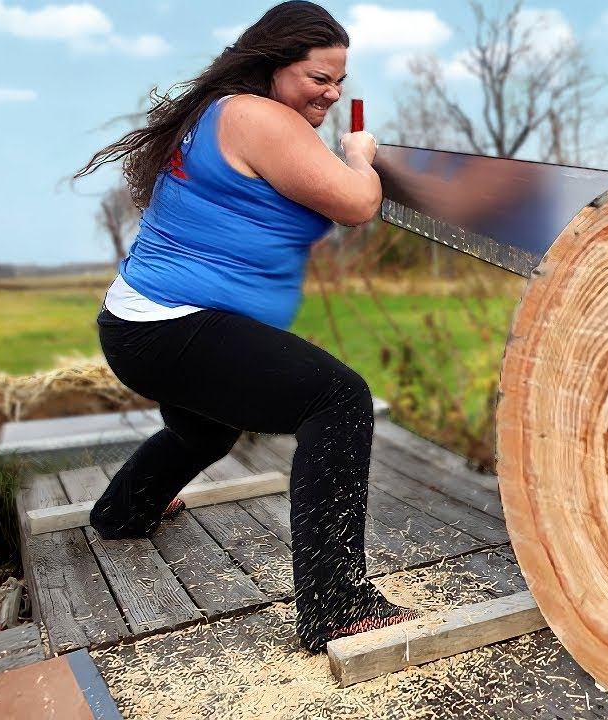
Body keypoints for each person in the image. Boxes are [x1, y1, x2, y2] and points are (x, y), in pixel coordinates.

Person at [72, 0, 418, 652]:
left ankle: (123, 510)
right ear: (274, 65)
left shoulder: (217, 110)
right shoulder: (258, 115)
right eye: (319, 78)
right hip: (171, 327)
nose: (333, 92)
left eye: (340, 80)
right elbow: (355, 203)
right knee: (336, 399)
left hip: (134, 324)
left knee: (207, 426)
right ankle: (337, 604)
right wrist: (359, 154)